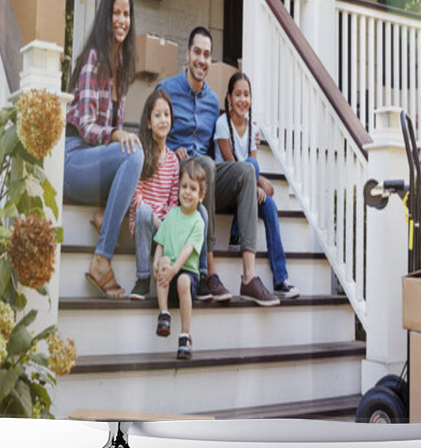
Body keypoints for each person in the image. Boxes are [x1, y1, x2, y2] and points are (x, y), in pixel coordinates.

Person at [159, 27, 279, 306]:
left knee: (247, 170)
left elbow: (226, 147)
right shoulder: (167, 90)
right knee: (206, 165)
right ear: (187, 54)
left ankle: (249, 277)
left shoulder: (214, 101)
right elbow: (151, 130)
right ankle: (209, 272)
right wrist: (168, 150)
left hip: (209, 174)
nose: (202, 59)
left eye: (207, 54)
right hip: (183, 175)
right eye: (197, 52)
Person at [63, 0, 144, 300]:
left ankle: (110, 214)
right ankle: (101, 260)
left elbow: (116, 139)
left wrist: (119, 137)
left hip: (95, 163)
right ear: (105, 17)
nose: (122, 20)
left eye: (127, 14)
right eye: (116, 13)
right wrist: (114, 134)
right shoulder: (94, 59)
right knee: (132, 154)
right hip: (74, 160)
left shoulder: (121, 67)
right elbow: (84, 125)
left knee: (138, 153)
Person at [214, 72, 299, 300]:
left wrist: (258, 184)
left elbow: (253, 164)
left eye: (247, 94)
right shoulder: (222, 125)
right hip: (227, 190)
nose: (243, 100)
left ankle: (280, 279)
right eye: (238, 94)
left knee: (269, 205)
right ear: (229, 98)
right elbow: (234, 166)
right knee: (250, 166)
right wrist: (258, 181)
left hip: (245, 194)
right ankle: (235, 233)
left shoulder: (252, 128)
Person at [127, 87, 211, 301]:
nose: (163, 120)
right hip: (146, 223)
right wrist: (161, 224)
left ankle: (200, 275)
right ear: (148, 122)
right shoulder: (140, 153)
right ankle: (143, 278)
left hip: (168, 225)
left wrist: (171, 225)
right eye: (157, 115)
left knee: (200, 211)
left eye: (166, 115)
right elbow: (136, 197)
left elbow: (175, 200)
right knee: (144, 210)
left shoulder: (174, 160)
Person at [153, 159, 207, 360]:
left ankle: (185, 335)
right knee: (163, 261)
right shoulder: (172, 215)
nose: (187, 192)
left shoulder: (198, 222)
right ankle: (164, 314)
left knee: (183, 279)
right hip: (169, 276)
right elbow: (160, 242)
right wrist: (156, 262)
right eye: (184, 186)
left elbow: (187, 250)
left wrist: (175, 269)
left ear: (201, 196)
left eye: (193, 189)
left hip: (187, 275)